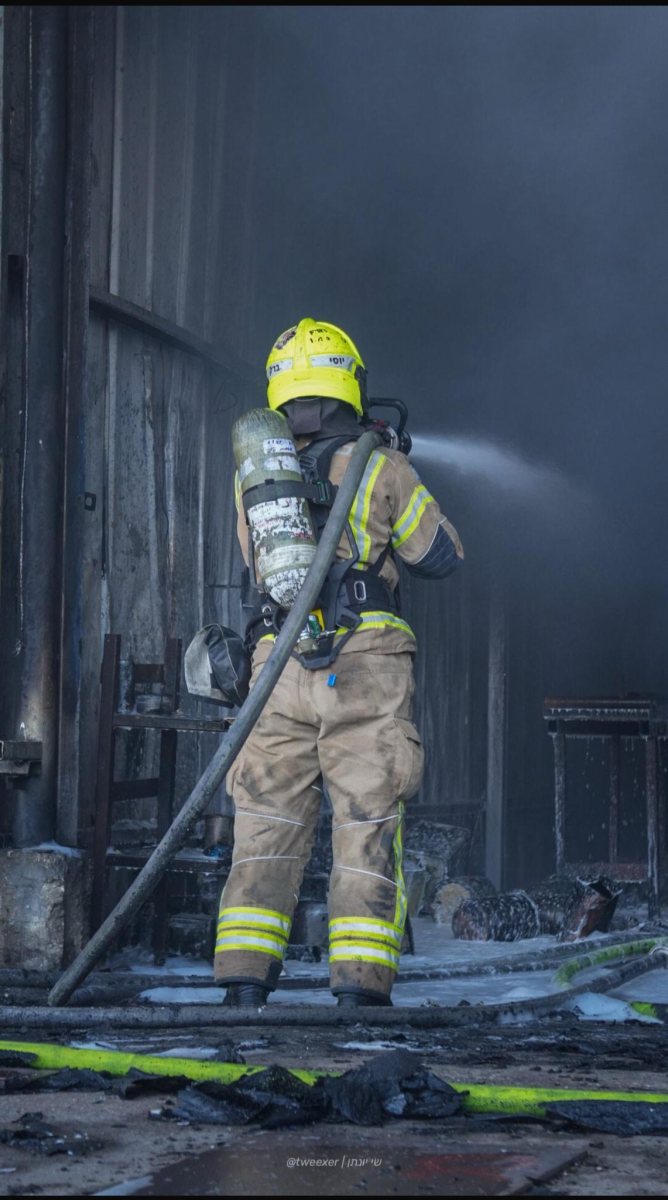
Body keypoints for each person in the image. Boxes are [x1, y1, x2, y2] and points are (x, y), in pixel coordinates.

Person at [215, 318, 464, 1008]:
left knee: (265, 822)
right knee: (364, 818)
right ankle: (359, 991)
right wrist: (399, 466)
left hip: (278, 663)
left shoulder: (255, 479)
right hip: (362, 660)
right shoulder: (379, 464)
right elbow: (438, 554)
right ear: (347, 383)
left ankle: (242, 986)